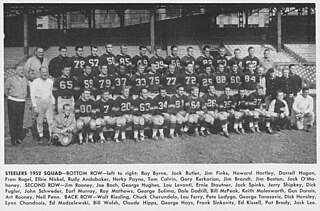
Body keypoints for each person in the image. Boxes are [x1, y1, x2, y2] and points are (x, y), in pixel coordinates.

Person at [4, 64, 28, 145]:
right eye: (20, 69)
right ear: (16, 71)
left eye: (22, 69)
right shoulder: (10, 79)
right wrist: (11, 96)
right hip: (13, 101)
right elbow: (6, 89)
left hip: (22, 101)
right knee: (13, 120)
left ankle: (18, 138)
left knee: (20, 121)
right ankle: (13, 139)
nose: (22, 71)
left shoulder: (25, 79)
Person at [30, 66, 55, 144]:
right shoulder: (35, 82)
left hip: (48, 100)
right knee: (39, 121)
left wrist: (53, 103)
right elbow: (32, 95)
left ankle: (51, 137)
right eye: (43, 72)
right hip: (39, 101)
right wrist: (35, 106)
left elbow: (52, 93)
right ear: (40, 73)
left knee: (50, 120)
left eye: (46, 72)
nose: (45, 74)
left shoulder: (50, 81)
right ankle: (40, 136)